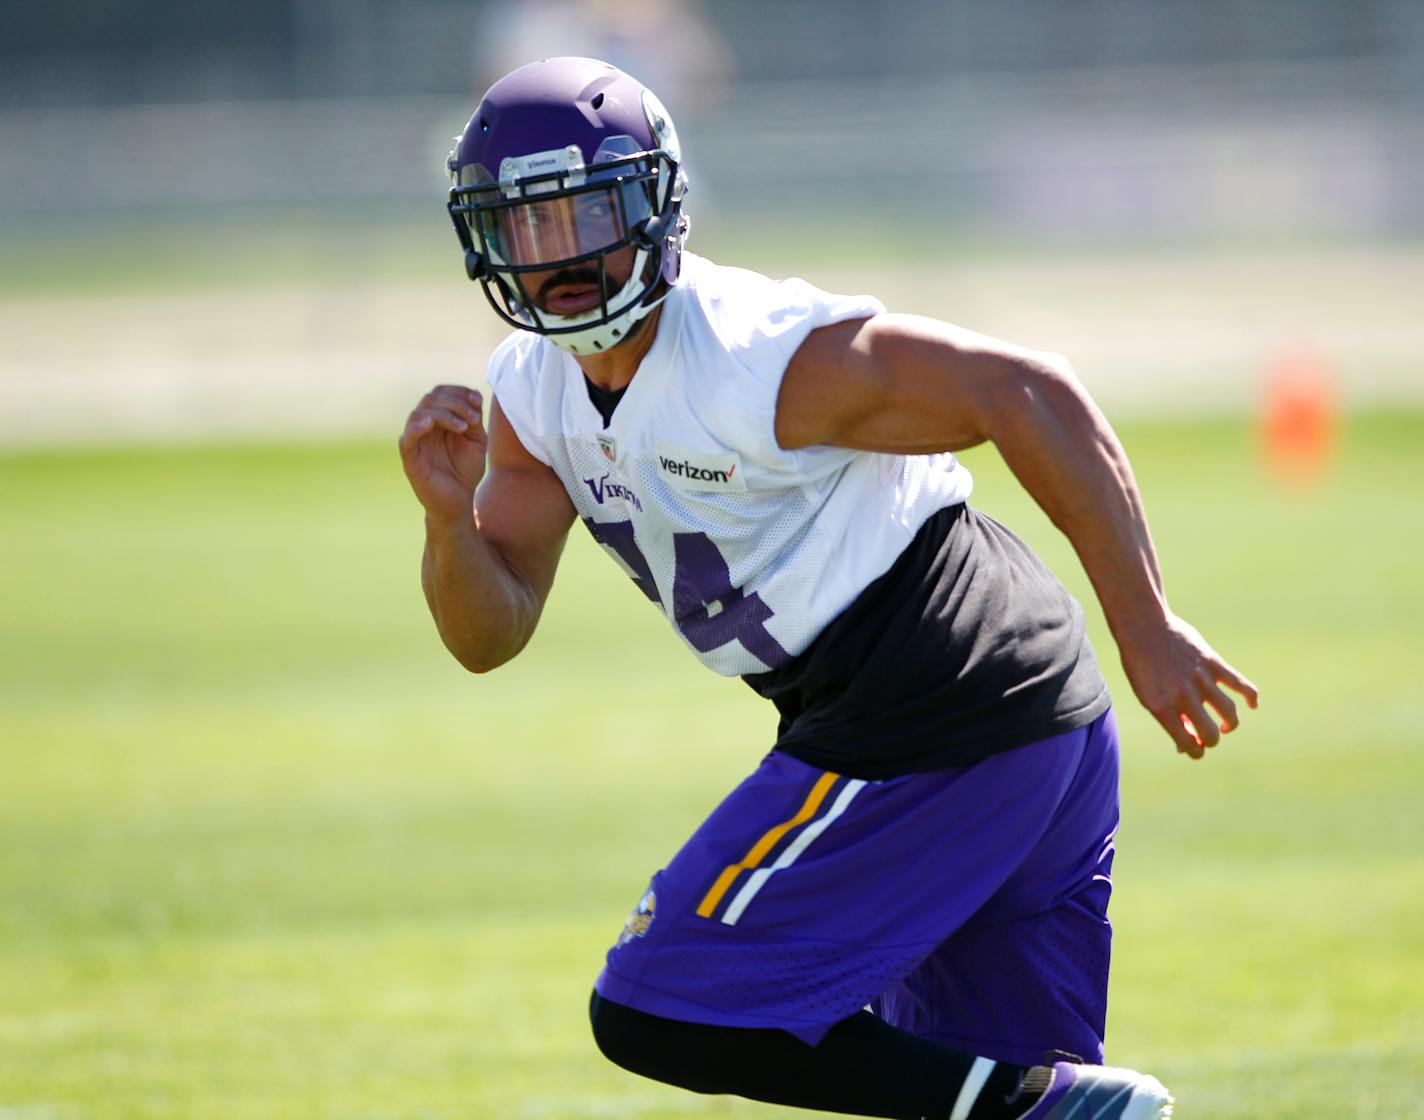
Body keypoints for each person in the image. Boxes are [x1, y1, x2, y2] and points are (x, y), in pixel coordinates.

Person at [401, 56, 1257, 1120]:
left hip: (936, 700)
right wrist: (446, 520)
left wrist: (1148, 623)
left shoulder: (755, 357)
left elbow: (1024, 388)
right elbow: (490, 632)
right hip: (1003, 719)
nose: (560, 257)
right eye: (527, 228)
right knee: (997, 1096)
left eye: (587, 212)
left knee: (660, 1001)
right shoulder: (529, 393)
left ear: (654, 201)